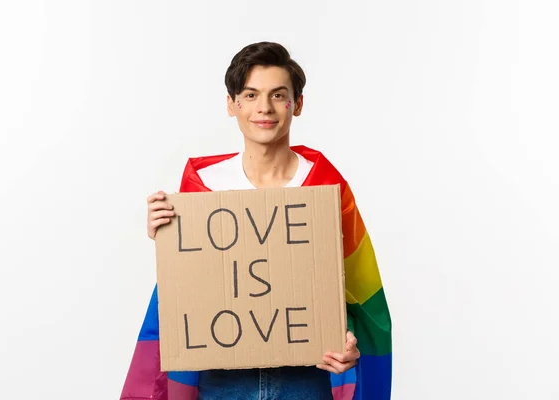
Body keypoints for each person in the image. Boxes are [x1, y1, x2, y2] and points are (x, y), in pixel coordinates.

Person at [120, 42, 392, 400]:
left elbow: (356, 291)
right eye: (250, 95)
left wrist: (349, 344)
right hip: (220, 380)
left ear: (297, 104)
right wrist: (167, 237)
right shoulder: (202, 186)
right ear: (232, 104)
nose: (264, 107)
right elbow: (188, 290)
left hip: (305, 381)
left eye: (278, 95)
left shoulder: (326, 186)